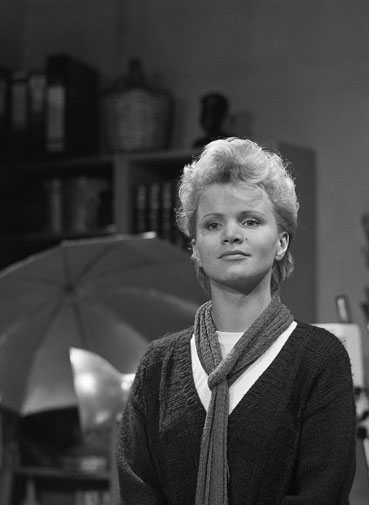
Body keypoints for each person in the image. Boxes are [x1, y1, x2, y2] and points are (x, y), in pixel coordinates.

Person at [116, 137, 356, 505]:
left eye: (250, 220)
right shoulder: (158, 365)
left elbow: (323, 492)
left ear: (281, 242)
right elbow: (138, 489)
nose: (231, 235)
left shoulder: (320, 359)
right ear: (195, 248)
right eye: (213, 225)